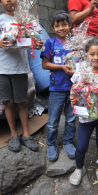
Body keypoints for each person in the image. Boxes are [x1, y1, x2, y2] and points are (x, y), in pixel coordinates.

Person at [0, 0, 43, 152]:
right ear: (0, 1)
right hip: (2, 69)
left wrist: (37, 44)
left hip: (20, 69)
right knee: (8, 103)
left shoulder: (26, 20)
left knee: (22, 103)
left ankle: (26, 135)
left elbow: (35, 43)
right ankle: (14, 134)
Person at [69, 37, 98, 187]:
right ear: (86, 55)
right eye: (92, 54)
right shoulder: (80, 73)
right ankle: (79, 168)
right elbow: (74, 92)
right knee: (81, 146)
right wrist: (73, 99)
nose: (96, 57)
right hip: (85, 118)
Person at [41, 11, 76, 161]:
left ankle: (68, 142)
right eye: (57, 25)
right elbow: (44, 65)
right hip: (57, 88)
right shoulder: (50, 43)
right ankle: (51, 144)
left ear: (70, 25)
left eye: (64, 24)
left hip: (74, 87)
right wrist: (62, 67)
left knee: (70, 119)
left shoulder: (76, 43)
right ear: (53, 28)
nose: (61, 28)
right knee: (53, 120)